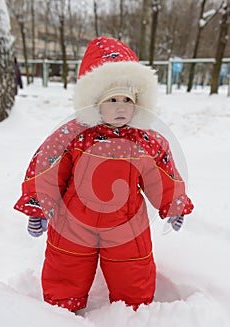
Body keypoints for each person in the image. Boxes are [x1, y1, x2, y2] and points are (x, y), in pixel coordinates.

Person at [14, 37, 194, 312]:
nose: (122, 107)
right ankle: (60, 312)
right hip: (74, 220)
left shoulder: (145, 141)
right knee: (66, 263)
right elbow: (46, 169)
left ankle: (133, 309)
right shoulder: (73, 136)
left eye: (128, 99)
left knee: (133, 267)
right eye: (112, 99)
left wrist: (173, 205)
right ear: (94, 101)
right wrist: (38, 208)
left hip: (128, 222)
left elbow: (163, 174)